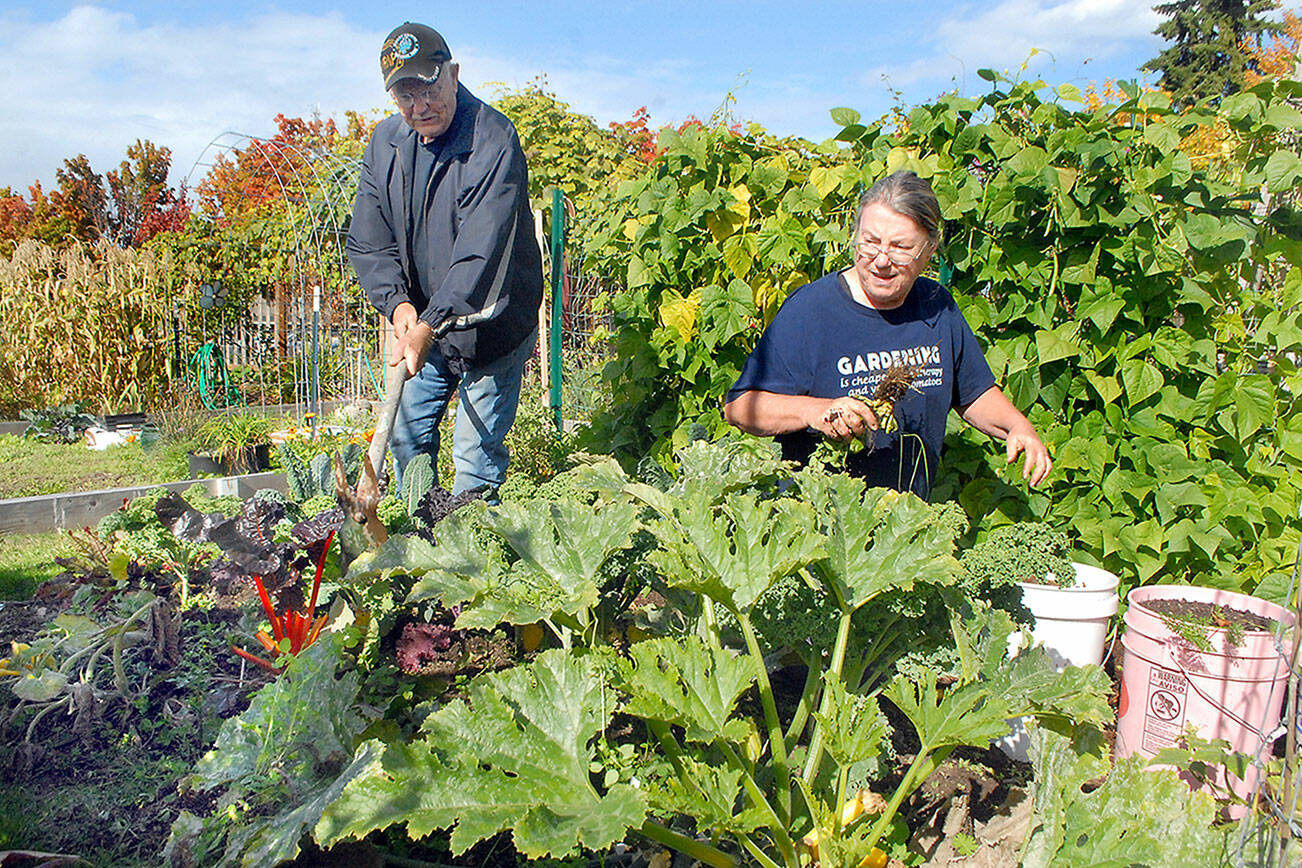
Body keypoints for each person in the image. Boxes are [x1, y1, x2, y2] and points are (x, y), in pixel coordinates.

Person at [724, 170, 1051, 498]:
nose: (881, 260)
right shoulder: (810, 311)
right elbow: (740, 407)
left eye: (900, 248)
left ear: (930, 248)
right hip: (821, 526)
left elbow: (973, 393)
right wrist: (814, 411)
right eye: (870, 242)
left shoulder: (937, 308)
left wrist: (1017, 426)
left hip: (904, 529)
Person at [346, 21, 542, 495]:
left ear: (453, 73)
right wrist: (398, 306)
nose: (420, 107)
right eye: (405, 97)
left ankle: (468, 559)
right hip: (426, 325)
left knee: (473, 459)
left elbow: (481, 251)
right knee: (407, 439)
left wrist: (428, 322)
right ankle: (421, 548)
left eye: (429, 88)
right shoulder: (385, 144)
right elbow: (369, 242)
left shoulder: (492, 139)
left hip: (493, 325)